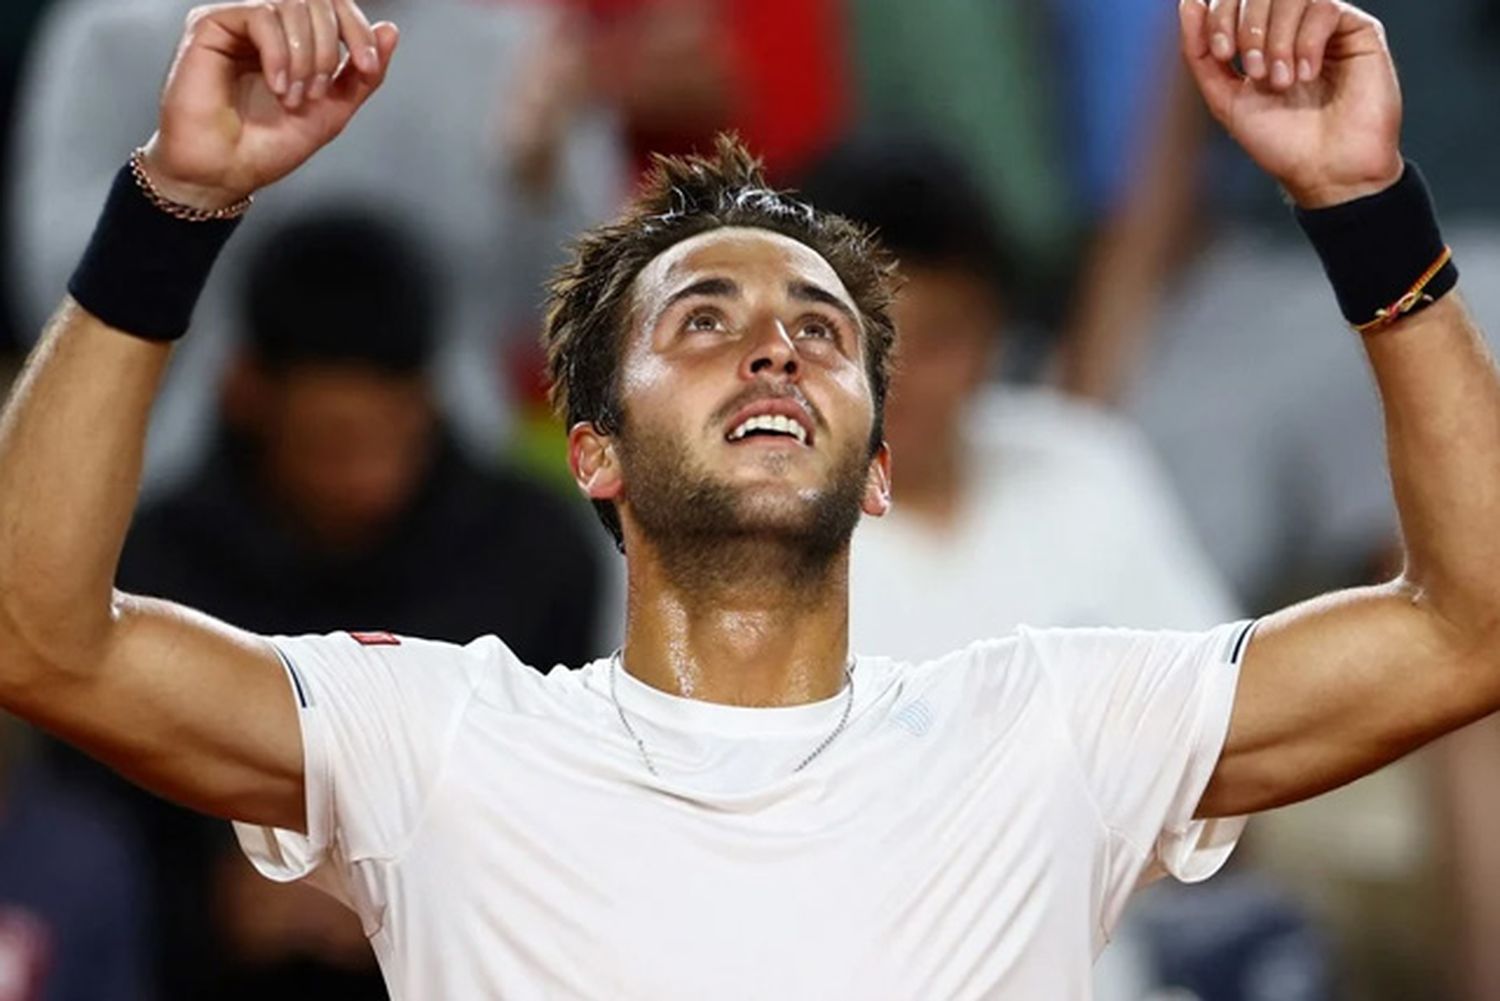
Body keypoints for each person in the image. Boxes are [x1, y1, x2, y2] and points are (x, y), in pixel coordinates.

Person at [0, 3, 1491, 999]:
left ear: (880, 463)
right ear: (593, 455)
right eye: (701, 317)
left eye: (823, 329)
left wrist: (1364, 210)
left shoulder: (1055, 725)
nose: (775, 338)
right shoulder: (440, 738)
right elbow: (40, 636)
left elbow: (1469, 629)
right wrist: (175, 204)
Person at [73, 208, 605, 999]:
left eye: (392, 438)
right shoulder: (150, 567)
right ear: (247, 394)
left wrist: (420, 895)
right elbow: (96, 818)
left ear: (428, 397)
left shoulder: (533, 553)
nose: (369, 477)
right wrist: (213, 903)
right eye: (332, 443)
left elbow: (576, 808)